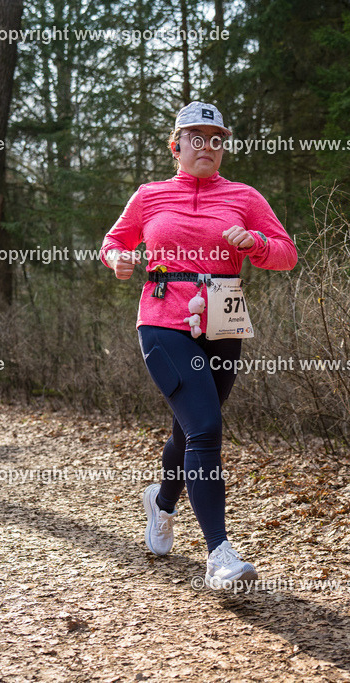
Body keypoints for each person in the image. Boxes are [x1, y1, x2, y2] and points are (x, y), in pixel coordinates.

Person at [100, 102, 297, 589]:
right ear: (177, 146)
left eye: (216, 139)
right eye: (196, 137)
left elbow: (286, 254)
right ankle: (220, 555)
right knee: (207, 426)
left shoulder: (244, 197)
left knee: (188, 432)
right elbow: (113, 241)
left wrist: (254, 244)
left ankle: (163, 501)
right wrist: (120, 260)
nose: (207, 146)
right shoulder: (150, 196)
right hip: (164, 319)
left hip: (223, 321)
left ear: (223, 146)